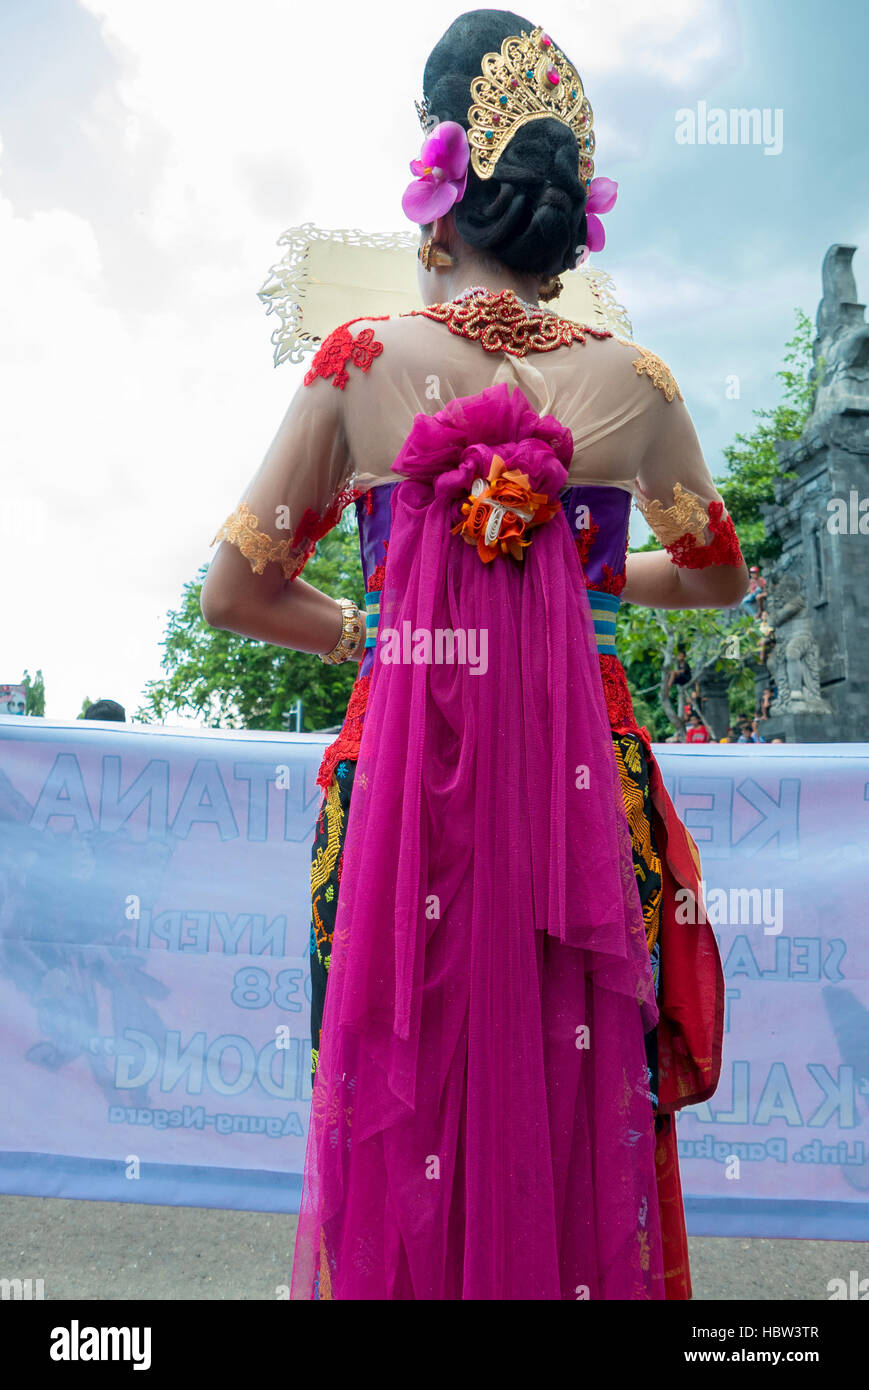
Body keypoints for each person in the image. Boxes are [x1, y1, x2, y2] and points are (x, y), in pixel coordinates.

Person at [201, 9, 748, 1301]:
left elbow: (237, 589)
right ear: (566, 216)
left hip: (407, 805)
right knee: (577, 1120)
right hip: (581, 818)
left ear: (437, 190)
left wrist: (372, 636)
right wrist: (578, 588)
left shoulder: (361, 362)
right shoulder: (639, 384)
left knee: (407, 1119)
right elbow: (720, 575)